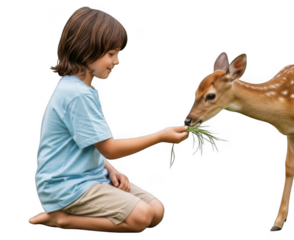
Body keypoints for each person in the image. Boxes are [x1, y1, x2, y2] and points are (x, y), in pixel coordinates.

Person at [27, 6, 190, 233]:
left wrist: (110, 169)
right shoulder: (77, 95)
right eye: (111, 54)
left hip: (90, 177)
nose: (117, 61)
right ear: (86, 49)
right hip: (65, 187)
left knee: (156, 211)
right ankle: (61, 219)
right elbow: (110, 148)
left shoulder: (85, 89)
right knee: (142, 217)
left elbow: (91, 144)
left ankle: (77, 209)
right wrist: (160, 137)